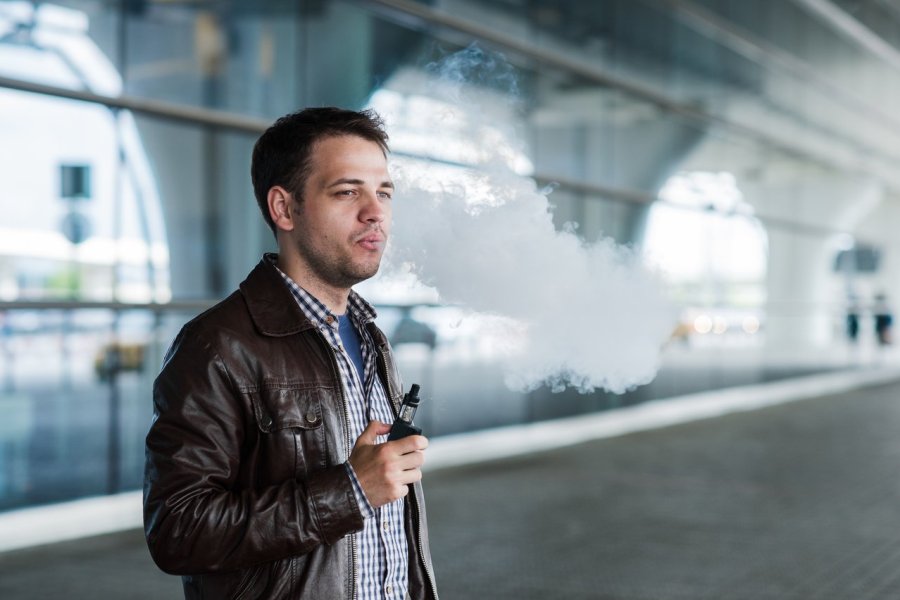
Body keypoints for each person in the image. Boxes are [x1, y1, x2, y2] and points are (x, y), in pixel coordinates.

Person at [143, 107, 439, 600]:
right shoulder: (217, 346)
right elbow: (178, 531)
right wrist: (350, 490)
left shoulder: (369, 335)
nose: (375, 212)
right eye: (347, 192)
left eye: (383, 192)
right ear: (284, 208)